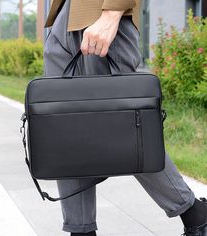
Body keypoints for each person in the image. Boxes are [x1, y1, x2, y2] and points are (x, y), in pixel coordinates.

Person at [43, 0, 207, 235]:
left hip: (102, 12)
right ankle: (81, 231)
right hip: (62, 17)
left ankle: (196, 215)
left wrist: (112, 13)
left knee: (130, 129)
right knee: (68, 128)